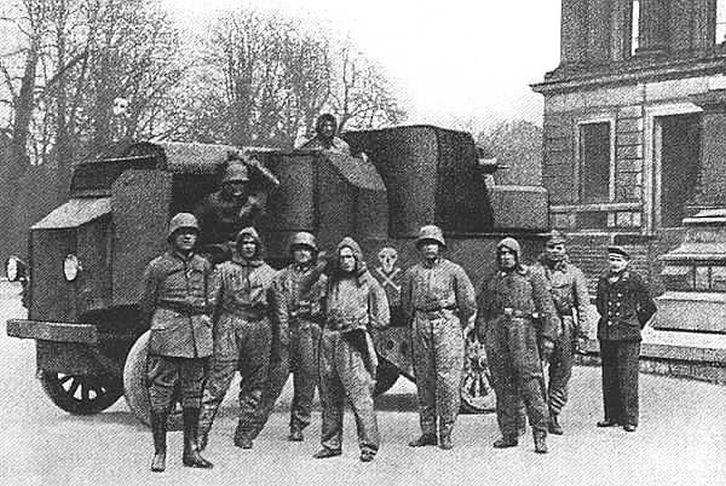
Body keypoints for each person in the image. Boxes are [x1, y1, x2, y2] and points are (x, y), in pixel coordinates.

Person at [196, 227, 285, 450]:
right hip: (230, 325)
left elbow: (279, 309)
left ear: (258, 246)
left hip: (260, 328)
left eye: (252, 243)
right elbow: (211, 303)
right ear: (238, 246)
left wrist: (281, 337)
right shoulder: (223, 270)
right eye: (244, 243)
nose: (248, 247)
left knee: (255, 384)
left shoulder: (270, 274)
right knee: (218, 382)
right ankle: (200, 433)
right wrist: (206, 332)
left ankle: (245, 433)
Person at [139, 212, 214, 472]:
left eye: (192, 233)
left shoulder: (204, 265)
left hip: (196, 337)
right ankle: (160, 452)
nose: (187, 237)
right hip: (169, 335)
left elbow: (210, 299)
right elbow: (146, 304)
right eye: (182, 233)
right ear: (172, 237)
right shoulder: (158, 267)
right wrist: (160, 325)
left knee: (193, 393)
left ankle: (191, 450)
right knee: (161, 393)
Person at [476, 237, 560, 454]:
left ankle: (540, 435)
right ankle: (509, 433)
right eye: (502, 254)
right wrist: (483, 332)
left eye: (510, 253)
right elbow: (482, 309)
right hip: (497, 332)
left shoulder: (532, 277)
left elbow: (547, 308)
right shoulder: (491, 279)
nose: (506, 257)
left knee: (531, 384)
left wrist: (548, 338)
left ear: (517, 255)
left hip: (523, 332)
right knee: (502, 385)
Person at [310, 237, 390, 462]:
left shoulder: (368, 283)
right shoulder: (330, 282)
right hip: (330, 338)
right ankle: (331, 444)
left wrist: (362, 327)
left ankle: (369, 446)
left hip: (353, 341)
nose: (346, 261)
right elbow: (316, 305)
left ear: (357, 258)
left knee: (360, 395)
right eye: (342, 257)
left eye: (350, 257)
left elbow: (382, 317)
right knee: (329, 393)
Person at [402, 225, 476, 450]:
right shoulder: (412, 273)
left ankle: (446, 431)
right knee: (424, 379)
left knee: (447, 380)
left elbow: (468, 302)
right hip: (421, 324)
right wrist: (416, 323)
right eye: (425, 244)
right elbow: (406, 304)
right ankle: (428, 432)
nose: (429, 248)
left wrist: (465, 326)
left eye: (433, 243)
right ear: (420, 248)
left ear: (440, 246)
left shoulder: (454, 271)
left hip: (446, 323)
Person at [249, 231, 327, 442]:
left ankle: (298, 425)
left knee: (306, 381)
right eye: (298, 249)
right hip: (285, 331)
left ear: (313, 253)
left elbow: (326, 308)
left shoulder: (321, 280)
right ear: (292, 252)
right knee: (274, 381)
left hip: (309, 332)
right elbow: (273, 304)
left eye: (307, 250)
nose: (302, 253)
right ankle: (253, 427)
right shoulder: (281, 276)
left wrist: (315, 311)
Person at [529, 230, 589, 435]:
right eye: (551, 247)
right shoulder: (533, 272)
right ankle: (536, 413)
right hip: (539, 326)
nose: (555, 251)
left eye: (559, 247)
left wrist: (583, 333)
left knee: (561, 372)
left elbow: (582, 305)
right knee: (535, 370)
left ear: (564, 249)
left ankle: (553, 414)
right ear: (544, 249)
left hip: (565, 327)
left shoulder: (574, 273)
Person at [595, 246, 656, 433]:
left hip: (627, 336)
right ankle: (611, 416)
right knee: (609, 376)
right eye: (612, 260)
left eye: (618, 260)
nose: (614, 264)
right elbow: (600, 305)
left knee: (628, 377)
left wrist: (634, 323)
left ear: (627, 262)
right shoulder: (603, 280)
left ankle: (630, 418)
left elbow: (649, 307)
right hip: (607, 334)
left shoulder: (634, 279)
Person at [194, 151, 280, 262]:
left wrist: (252, 163)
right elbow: (196, 228)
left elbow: (273, 184)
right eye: (233, 182)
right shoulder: (210, 202)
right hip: (214, 252)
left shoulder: (251, 203)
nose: (238, 187)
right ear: (225, 184)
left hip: (242, 252)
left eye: (241, 183)